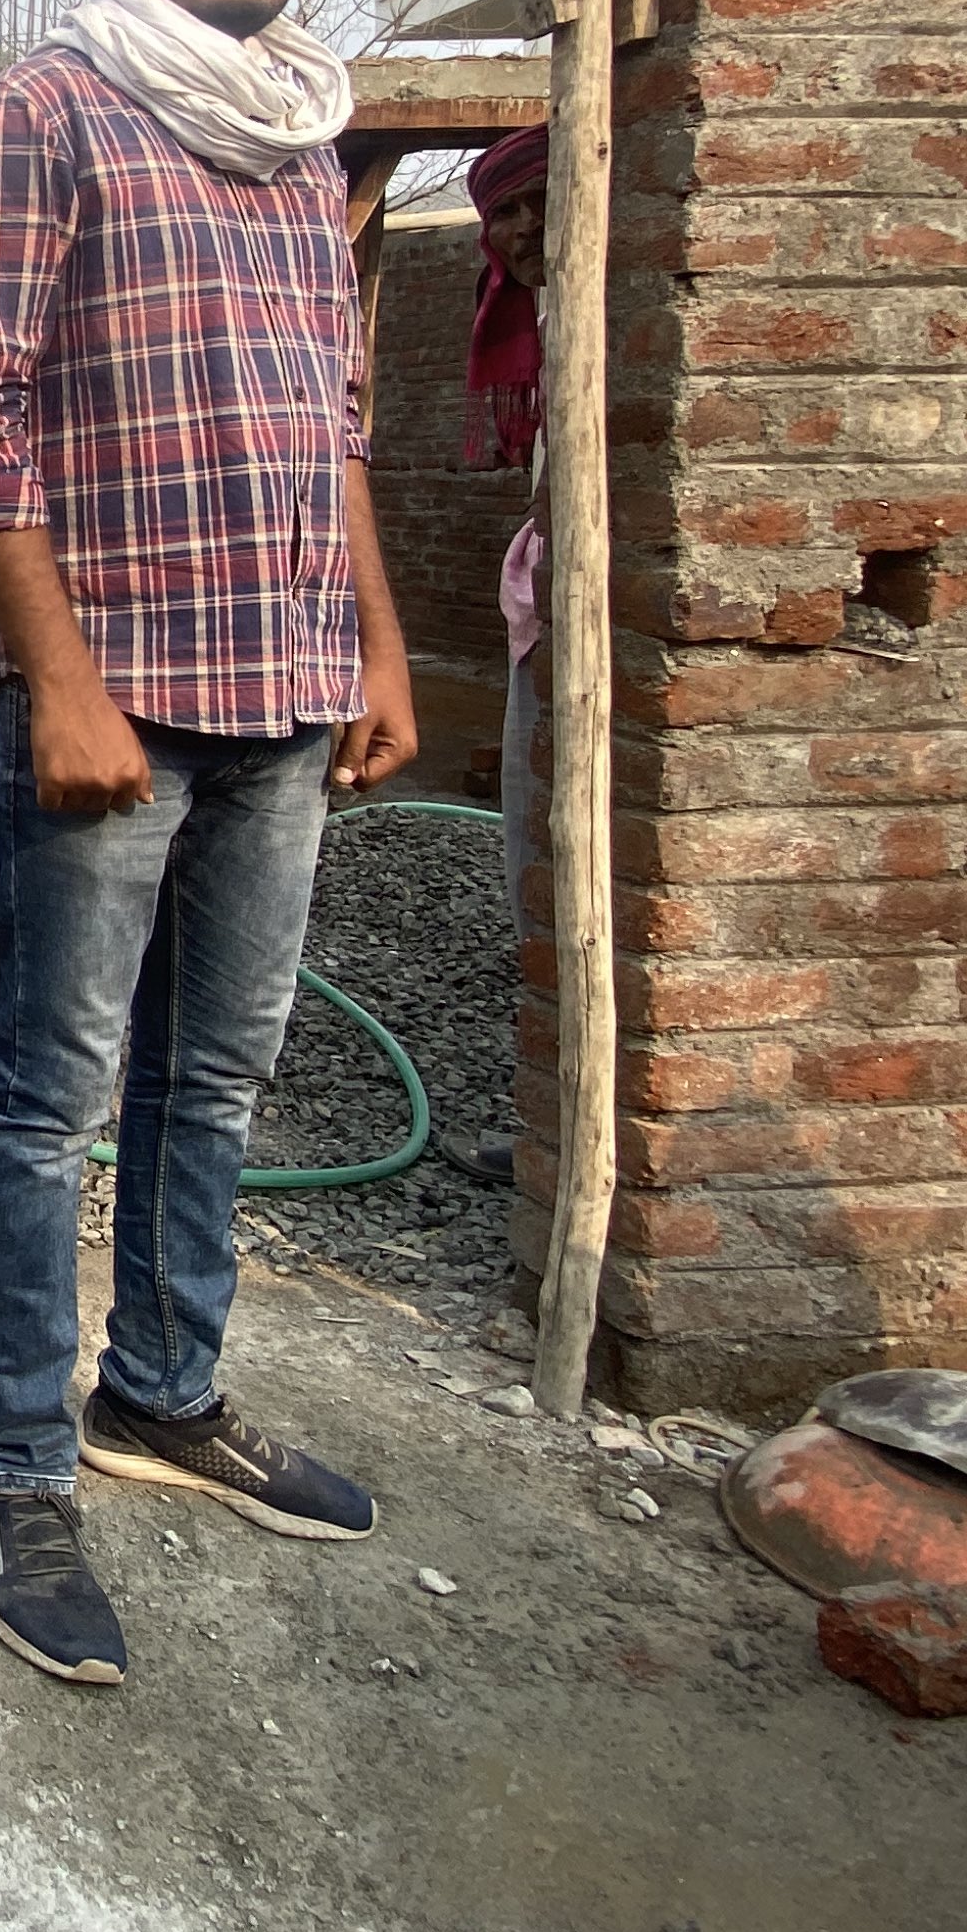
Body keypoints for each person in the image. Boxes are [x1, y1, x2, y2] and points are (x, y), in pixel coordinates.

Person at [0, 0, 414, 1689]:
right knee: (48, 1099)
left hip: (282, 693)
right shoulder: (41, 116)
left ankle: (163, 1390)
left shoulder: (305, 143)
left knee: (219, 1078)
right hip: (106, 710)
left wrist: (377, 641)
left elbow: (333, 419)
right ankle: (16, 1462)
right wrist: (60, 678)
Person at [448, 126, 549, 1188]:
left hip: (581, 631)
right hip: (539, 628)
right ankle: (549, 1124)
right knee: (535, 876)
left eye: (540, 205)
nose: (523, 231)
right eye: (505, 214)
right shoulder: (538, 329)